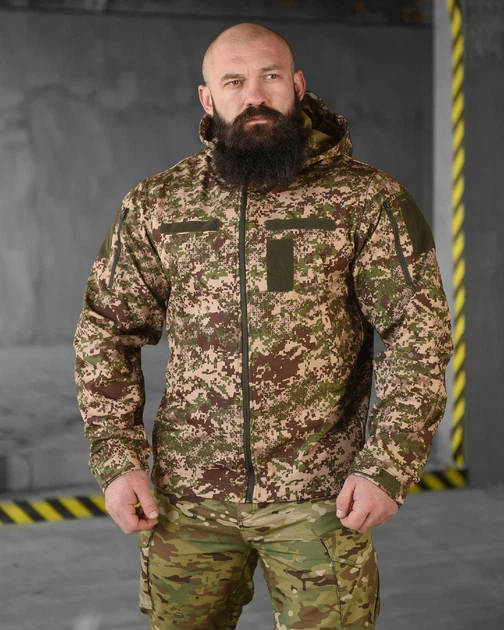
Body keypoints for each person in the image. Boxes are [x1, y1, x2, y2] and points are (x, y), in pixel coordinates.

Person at [74, 22, 453, 630]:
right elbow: (106, 332)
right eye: (234, 82)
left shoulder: (366, 200)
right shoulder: (159, 203)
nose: (254, 96)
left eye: (270, 76)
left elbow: (419, 335)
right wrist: (118, 460)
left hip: (321, 499)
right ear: (207, 98)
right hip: (188, 501)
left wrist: (388, 465)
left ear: (297, 86)